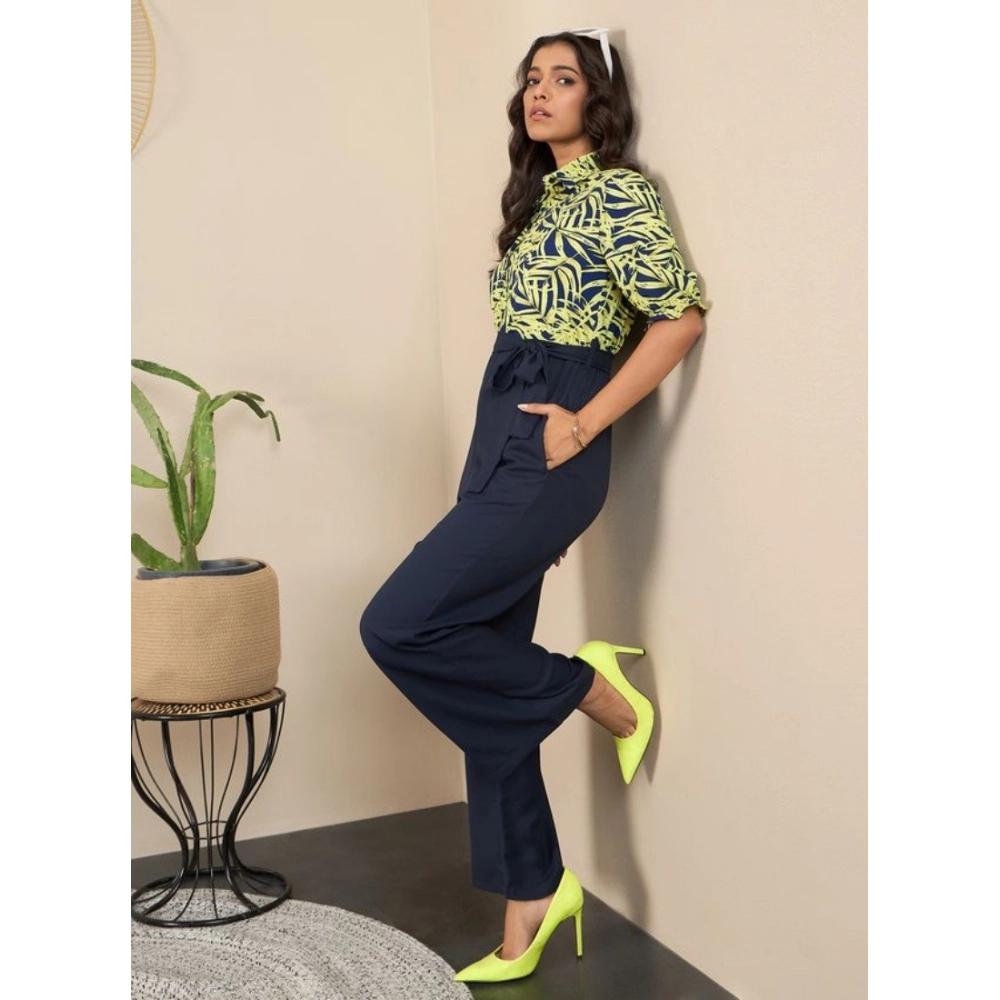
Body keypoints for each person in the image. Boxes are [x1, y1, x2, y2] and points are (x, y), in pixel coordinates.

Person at [359, 27, 710, 984]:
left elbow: (679, 318)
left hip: (553, 436)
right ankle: (534, 892)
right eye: (531, 79)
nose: (539, 92)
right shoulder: (538, 200)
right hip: (500, 433)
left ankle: (589, 687)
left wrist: (581, 426)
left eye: (563, 78)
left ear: (598, 98)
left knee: (397, 624)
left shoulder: (621, 192)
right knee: (482, 665)